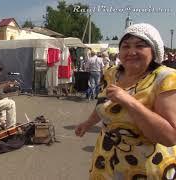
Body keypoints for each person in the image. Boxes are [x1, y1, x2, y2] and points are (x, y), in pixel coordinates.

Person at [75, 23, 176, 179]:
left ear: (154, 50)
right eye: (126, 46)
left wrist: (130, 101)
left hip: (145, 167)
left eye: (140, 46)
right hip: (106, 160)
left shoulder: (166, 78)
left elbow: (169, 137)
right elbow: (104, 103)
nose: (131, 52)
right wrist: (88, 123)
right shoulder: (112, 73)